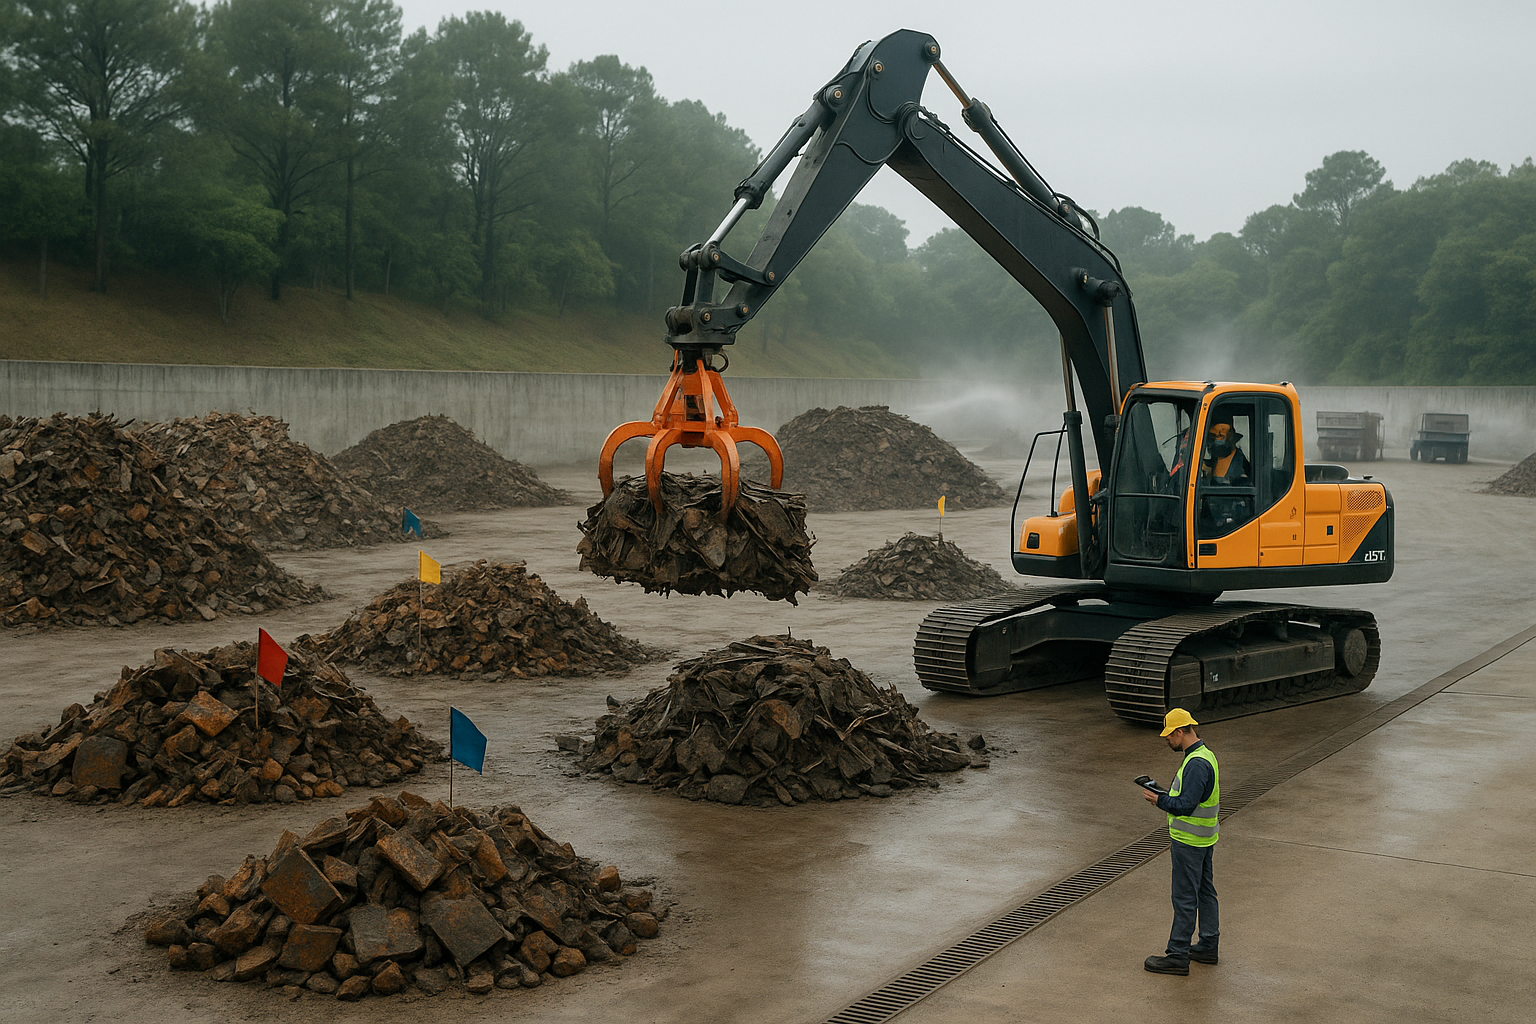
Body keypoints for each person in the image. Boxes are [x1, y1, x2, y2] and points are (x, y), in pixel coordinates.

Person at [1142, 707, 1220, 976]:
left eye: (1168, 736)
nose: (1167, 741)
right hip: (1204, 839)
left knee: (1185, 898)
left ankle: (1177, 955)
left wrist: (1159, 800)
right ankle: (1208, 946)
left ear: (1179, 731)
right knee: (1205, 892)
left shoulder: (1196, 764)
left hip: (1189, 842)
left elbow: (1186, 805)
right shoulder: (1203, 754)